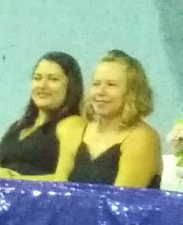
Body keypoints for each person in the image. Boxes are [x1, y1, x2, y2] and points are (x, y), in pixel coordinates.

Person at [63, 51, 162, 189]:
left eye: (111, 85)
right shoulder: (78, 132)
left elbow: (123, 198)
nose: (100, 92)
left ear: (132, 92)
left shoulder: (143, 138)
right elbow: (60, 187)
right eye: (96, 84)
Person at [0, 53, 84, 181]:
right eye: (37, 78)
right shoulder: (17, 127)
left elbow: (63, 180)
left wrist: (15, 180)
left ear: (71, 86)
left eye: (53, 79)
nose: (42, 85)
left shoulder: (71, 124)